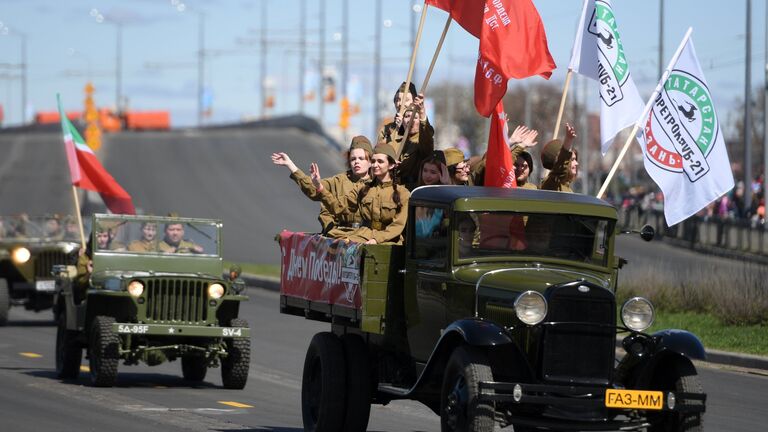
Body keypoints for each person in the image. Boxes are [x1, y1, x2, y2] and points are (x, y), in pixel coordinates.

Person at [310, 142, 410, 244]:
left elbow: (397, 226)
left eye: (380, 161)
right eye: (373, 161)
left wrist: (376, 239)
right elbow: (339, 206)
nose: (375, 165)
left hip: (388, 240)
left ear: (391, 165)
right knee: (336, 239)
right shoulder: (364, 189)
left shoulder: (402, 193)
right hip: (364, 235)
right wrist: (320, 187)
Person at [272, 135, 372, 236]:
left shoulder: (377, 183)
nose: (356, 162)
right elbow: (313, 189)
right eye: (353, 159)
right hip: (341, 235)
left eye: (361, 158)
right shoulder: (339, 181)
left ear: (370, 162)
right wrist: (291, 165)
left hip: (367, 236)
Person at [377, 82, 435, 189]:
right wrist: (396, 129)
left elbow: (427, 139)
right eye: (398, 100)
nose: (401, 104)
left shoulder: (422, 130)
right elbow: (380, 154)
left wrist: (421, 111)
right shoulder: (387, 129)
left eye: (406, 100)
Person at [414, 152, 452, 238]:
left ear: (442, 174)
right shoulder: (415, 193)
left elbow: (457, 219)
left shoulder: (445, 196)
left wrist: (447, 186)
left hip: (436, 246)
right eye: (425, 170)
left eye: (433, 172)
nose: (427, 175)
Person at [540, 123, 579, 192]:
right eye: (572, 160)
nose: (576, 163)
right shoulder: (551, 184)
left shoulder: (567, 188)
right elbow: (560, 167)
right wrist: (568, 140)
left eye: (575, 159)